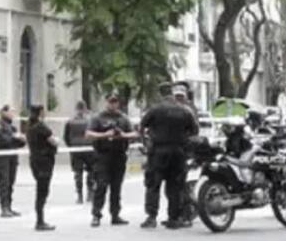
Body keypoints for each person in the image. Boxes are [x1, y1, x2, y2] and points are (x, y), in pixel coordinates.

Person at [140, 87, 199, 230]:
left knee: (153, 185)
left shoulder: (155, 109)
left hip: (158, 151)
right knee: (175, 186)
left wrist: (145, 143)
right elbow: (195, 131)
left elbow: (141, 126)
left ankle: (151, 217)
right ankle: (174, 218)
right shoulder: (185, 111)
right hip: (178, 152)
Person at [85, 94, 139, 228]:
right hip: (102, 156)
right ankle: (96, 215)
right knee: (101, 185)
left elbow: (134, 134)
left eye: (115, 102)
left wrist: (123, 135)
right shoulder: (98, 117)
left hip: (119, 155)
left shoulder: (123, 118)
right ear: (106, 102)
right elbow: (88, 134)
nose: (113, 104)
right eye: (111, 102)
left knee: (116, 187)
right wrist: (104, 135)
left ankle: (115, 215)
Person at [26, 105, 58, 231]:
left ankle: (40, 219)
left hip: (35, 160)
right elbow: (53, 141)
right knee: (42, 192)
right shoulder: (41, 126)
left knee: (40, 190)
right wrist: (56, 142)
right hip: (44, 161)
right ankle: (40, 221)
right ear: (40, 112)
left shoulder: (29, 126)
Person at [0, 105, 26, 217]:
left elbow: (20, 143)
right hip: (3, 159)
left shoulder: (12, 127)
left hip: (13, 158)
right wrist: (14, 137)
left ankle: (9, 206)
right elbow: (1, 140)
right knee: (4, 183)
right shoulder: (0, 125)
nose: (13, 114)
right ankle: (4, 207)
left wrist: (21, 139)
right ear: (4, 112)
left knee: (11, 183)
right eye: (11, 111)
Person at [63, 101, 96, 204]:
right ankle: (90, 193)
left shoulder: (70, 121)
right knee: (91, 171)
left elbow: (66, 137)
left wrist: (71, 146)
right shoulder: (91, 120)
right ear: (85, 108)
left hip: (75, 149)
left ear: (76, 108)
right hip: (88, 148)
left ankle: (79, 195)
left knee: (78, 172)